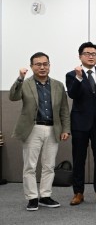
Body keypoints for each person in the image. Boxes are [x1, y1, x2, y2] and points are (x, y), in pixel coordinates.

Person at [9, 52, 70, 211]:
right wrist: (20, 78)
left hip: (53, 129)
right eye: (38, 64)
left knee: (49, 165)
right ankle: (32, 198)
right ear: (31, 66)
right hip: (32, 129)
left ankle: (45, 196)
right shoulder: (25, 83)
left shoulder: (58, 85)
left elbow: (64, 109)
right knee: (30, 166)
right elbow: (13, 96)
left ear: (49, 65)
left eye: (45, 64)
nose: (42, 67)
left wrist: (65, 129)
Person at [65, 42, 96, 206]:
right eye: (87, 53)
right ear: (80, 56)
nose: (91, 56)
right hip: (80, 123)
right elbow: (72, 94)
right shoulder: (72, 75)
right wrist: (78, 77)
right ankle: (78, 192)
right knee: (79, 159)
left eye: (94, 54)